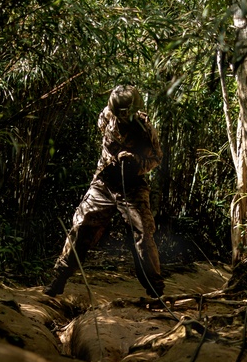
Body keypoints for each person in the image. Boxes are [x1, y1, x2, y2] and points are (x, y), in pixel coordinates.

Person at [44, 84, 165, 298]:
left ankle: (155, 290)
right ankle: (58, 279)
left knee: (143, 233)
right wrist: (112, 157)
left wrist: (135, 160)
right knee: (81, 224)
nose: (122, 116)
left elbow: (156, 159)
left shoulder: (145, 129)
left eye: (126, 112)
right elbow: (103, 133)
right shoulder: (107, 116)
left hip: (132, 186)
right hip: (104, 181)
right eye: (119, 112)